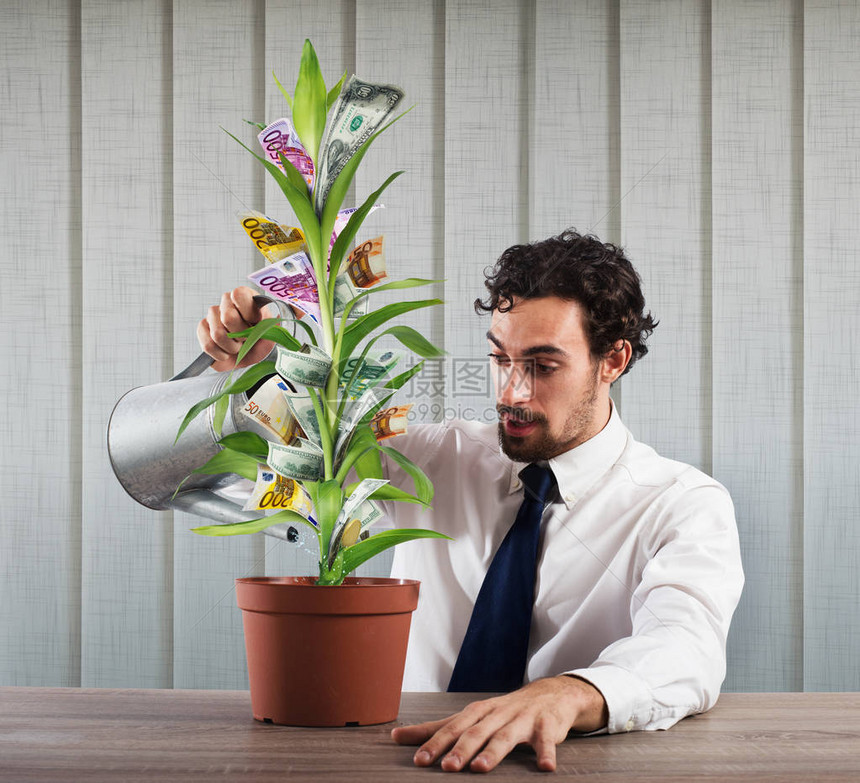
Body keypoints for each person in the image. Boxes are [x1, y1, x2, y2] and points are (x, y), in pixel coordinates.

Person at [198, 230, 744, 774]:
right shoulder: (436, 456)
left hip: (564, 768)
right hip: (405, 760)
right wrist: (262, 366)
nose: (512, 392)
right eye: (500, 358)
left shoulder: (682, 505)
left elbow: (687, 646)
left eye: (543, 365)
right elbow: (303, 454)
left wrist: (571, 693)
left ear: (613, 360)